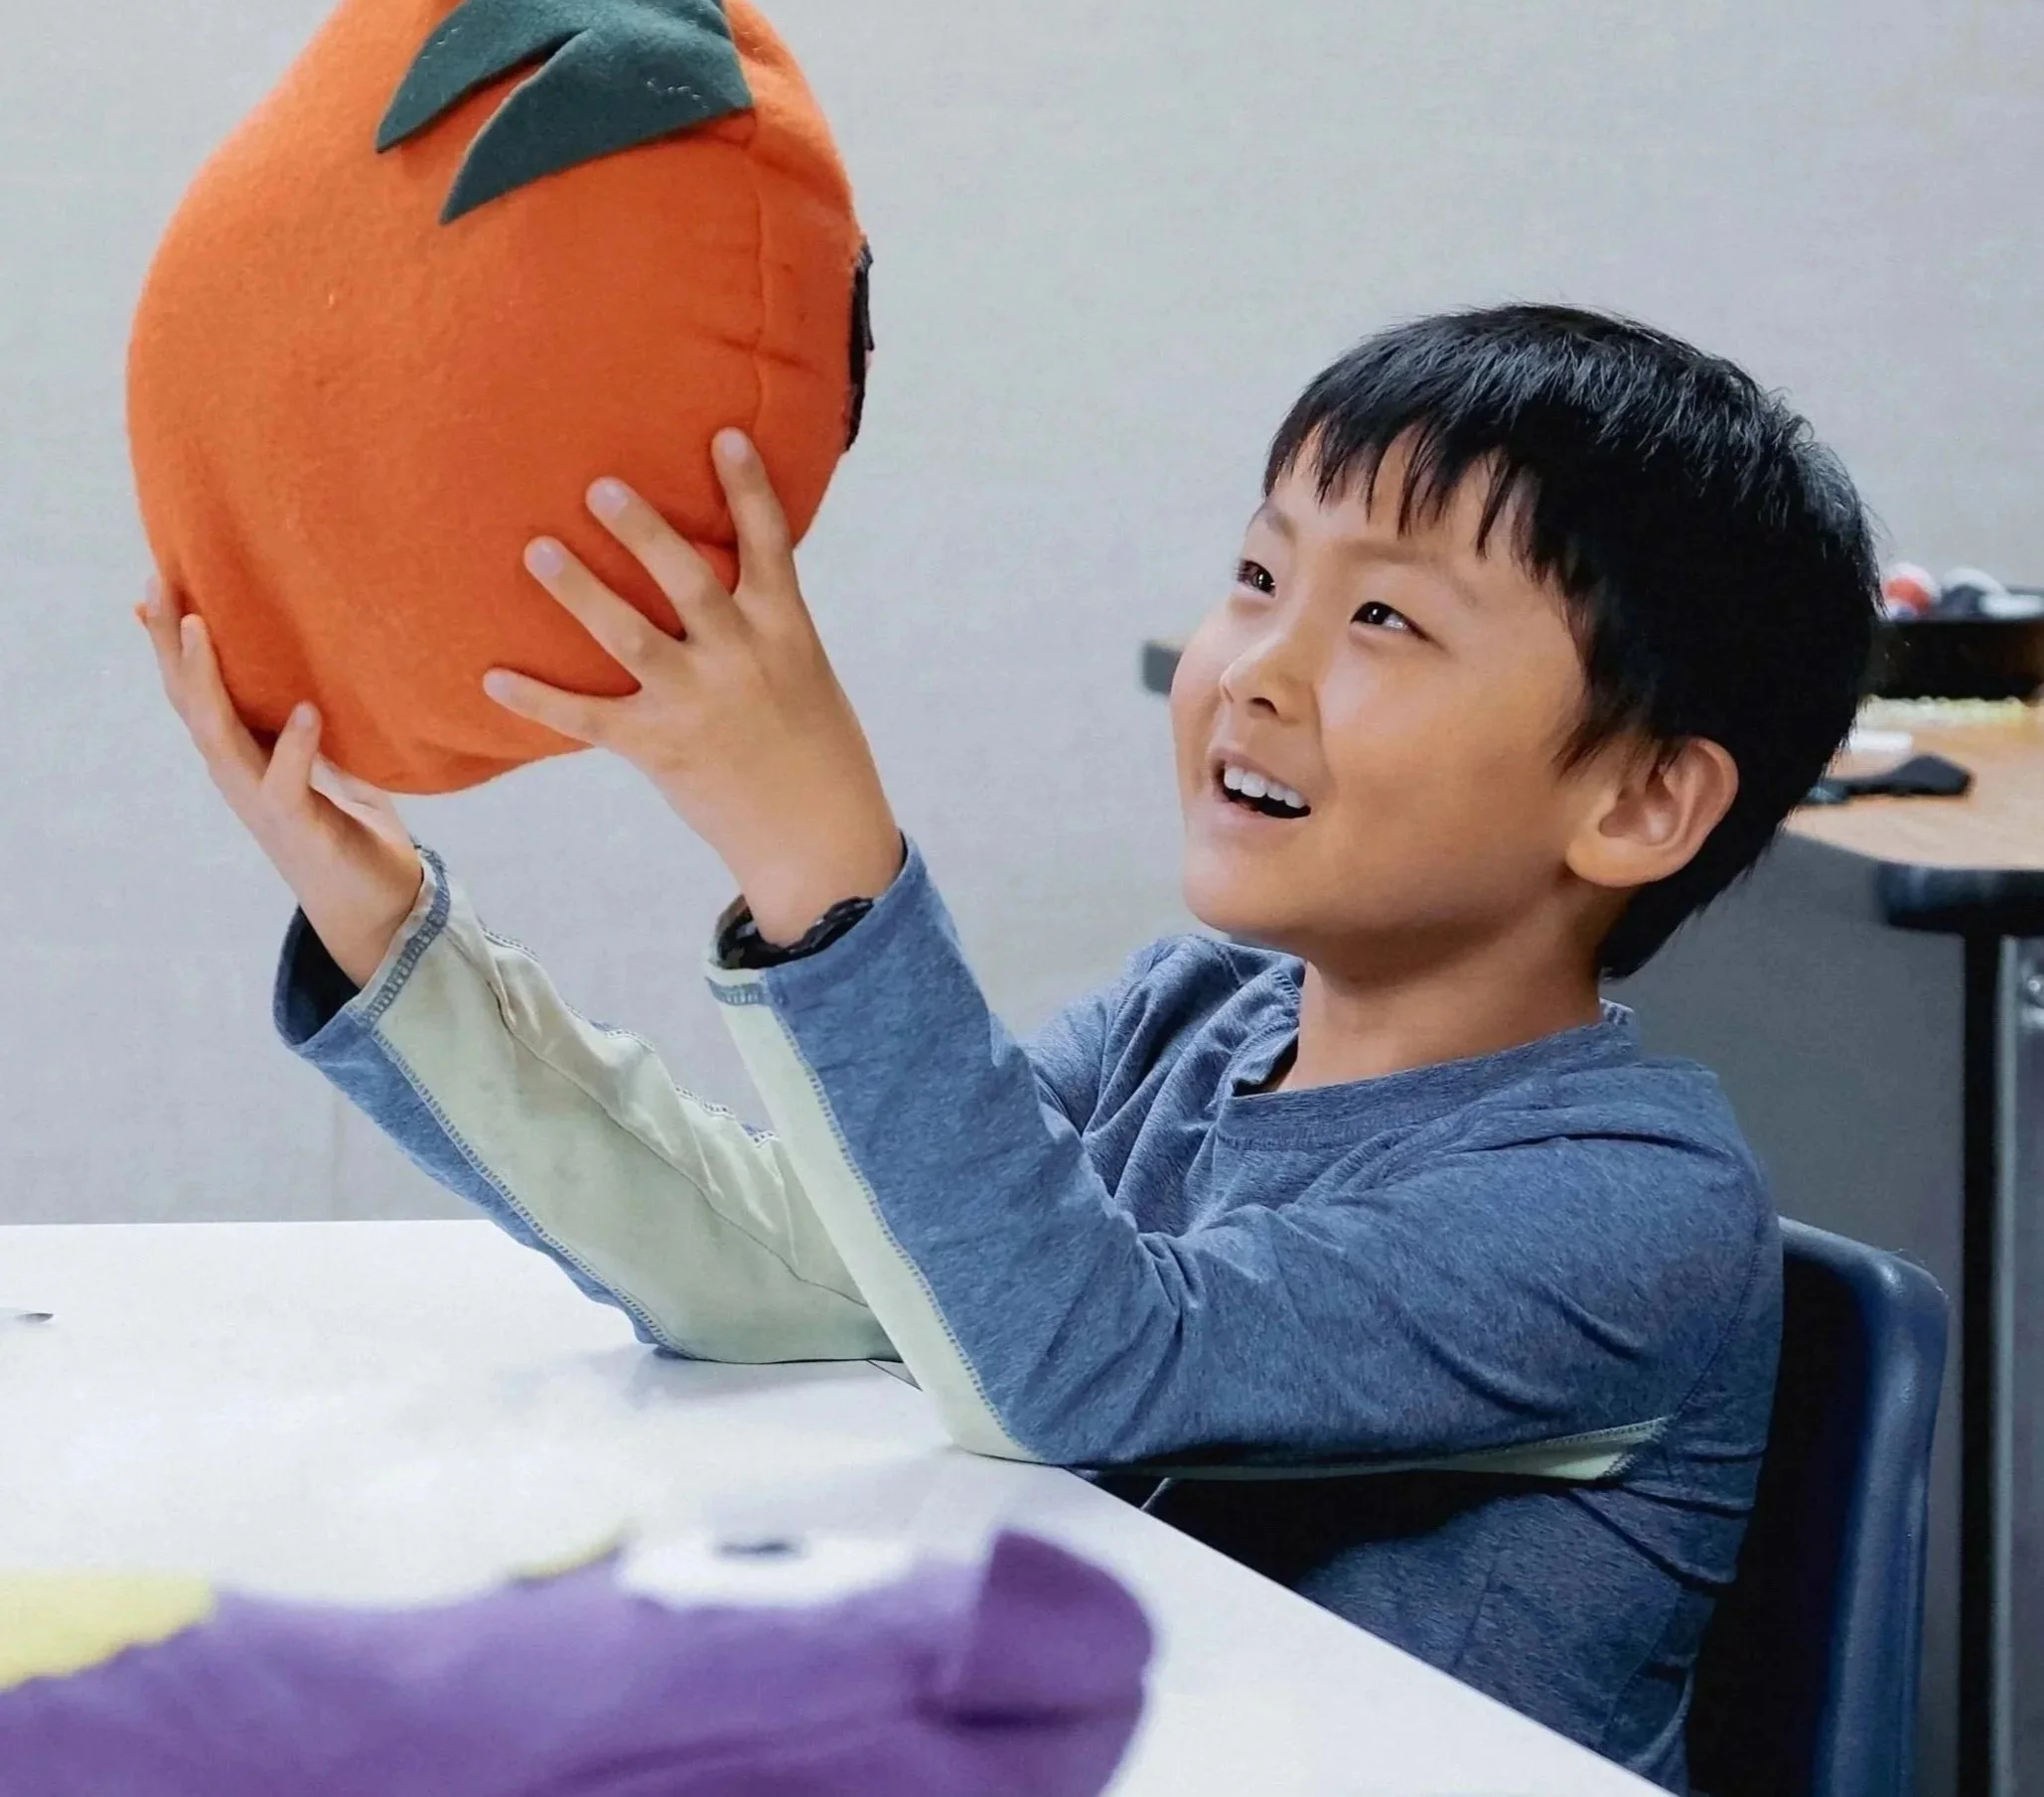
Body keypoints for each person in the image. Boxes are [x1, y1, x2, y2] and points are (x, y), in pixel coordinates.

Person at [137, 304, 1884, 1790]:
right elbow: (820, 1275)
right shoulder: (1192, 1014)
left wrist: (820, 858)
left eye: (1383, 620)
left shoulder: (1630, 1206)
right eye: (1258, 572)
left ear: (1642, 798)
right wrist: (389, 932)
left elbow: (1085, 1358)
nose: (1254, 667)